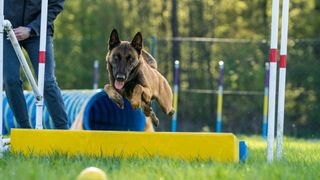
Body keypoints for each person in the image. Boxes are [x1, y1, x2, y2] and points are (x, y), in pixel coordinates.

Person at [3, 0, 68, 129]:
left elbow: (56, 5)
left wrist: (32, 28)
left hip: (38, 31)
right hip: (7, 29)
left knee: (47, 82)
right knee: (10, 80)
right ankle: (25, 129)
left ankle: (64, 130)